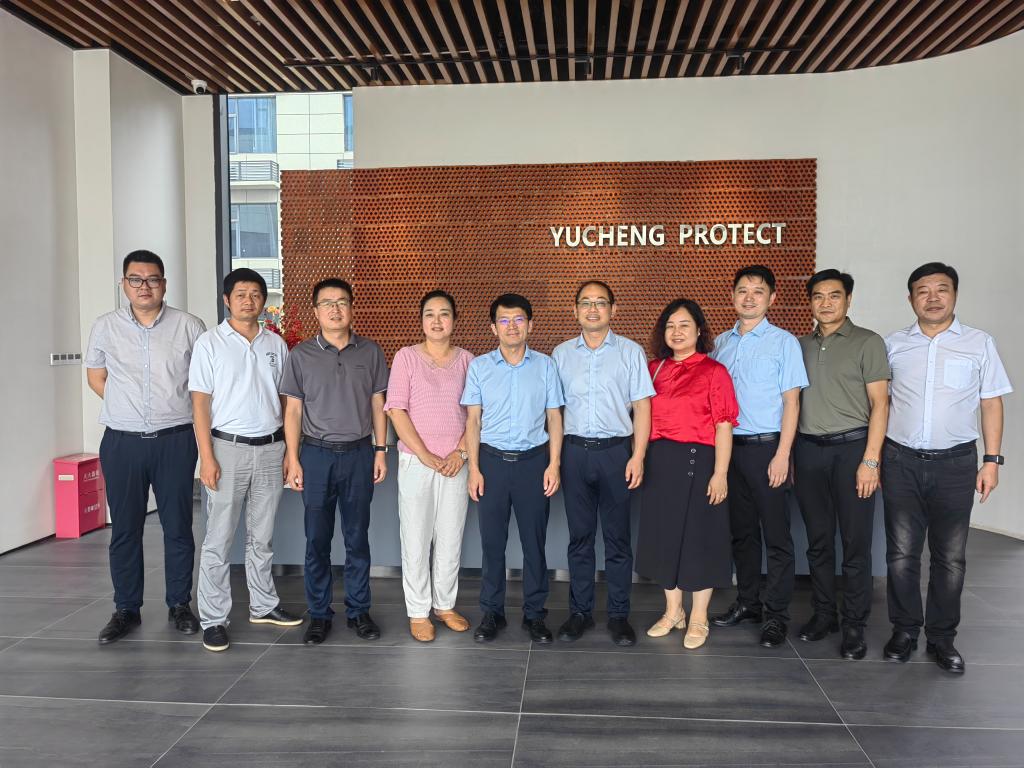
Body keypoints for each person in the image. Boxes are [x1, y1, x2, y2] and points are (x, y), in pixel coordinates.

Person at [882, 262, 1011, 673]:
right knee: (901, 555)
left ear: (954, 294)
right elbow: (880, 403)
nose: (933, 297)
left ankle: (941, 638)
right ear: (910, 298)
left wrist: (991, 460)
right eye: (923, 290)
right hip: (900, 460)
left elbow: (991, 402)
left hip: (955, 463)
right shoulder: (893, 345)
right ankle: (904, 630)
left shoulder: (979, 343)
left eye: (942, 289)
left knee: (950, 557)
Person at [85, 249, 206, 644]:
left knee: (178, 527)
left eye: (152, 279)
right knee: (125, 529)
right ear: (124, 284)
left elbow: (202, 384)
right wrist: (130, 409)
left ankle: (179, 604)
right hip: (122, 443)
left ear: (164, 284)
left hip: (176, 440)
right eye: (135, 279)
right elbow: (96, 377)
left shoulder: (189, 326)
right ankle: (126, 609)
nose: (144, 286)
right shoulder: (105, 326)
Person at [189, 268, 303, 653]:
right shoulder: (209, 343)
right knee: (218, 539)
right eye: (240, 294)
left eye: (255, 294)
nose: (248, 300)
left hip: (271, 449)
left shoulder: (276, 344)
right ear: (227, 300)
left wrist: (289, 451)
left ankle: (263, 605)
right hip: (227, 449)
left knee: (262, 536)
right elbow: (200, 405)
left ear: (264, 301)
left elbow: (286, 402)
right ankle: (213, 618)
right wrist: (206, 457)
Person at [280, 278, 389, 645]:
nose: (335, 309)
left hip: (359, 454)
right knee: (317, 539)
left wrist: (380, 450)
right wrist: (293, 458)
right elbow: (293, 411)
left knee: (357, 538)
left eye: (342, 302)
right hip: (316, 456)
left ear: (351, 307)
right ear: (316, 311)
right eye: (327, 303)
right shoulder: (301, 356)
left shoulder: (370, 352)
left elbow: (378, 404)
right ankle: (319, 614)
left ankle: (359, 611)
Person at [793, 269, 890, 660]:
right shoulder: (799, 345)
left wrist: (871, 459)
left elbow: (881, 404)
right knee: (818, 541)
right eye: (818, 296)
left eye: (834, 295)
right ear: (810, 303)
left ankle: (854, 624)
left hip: (853, 450)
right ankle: (823, 615)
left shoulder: (868, 342)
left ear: (848, 300)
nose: (826, 303)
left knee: (855, 543)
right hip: (807, 450)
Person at [710, 265, 808, 647]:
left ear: (772, 298)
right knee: (743, 534)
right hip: (728, 450)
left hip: (767, 448)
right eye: (742, 290)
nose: (749, 298)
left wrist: (783, 454)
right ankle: (748, 602)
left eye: (758, 291)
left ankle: (776, 615)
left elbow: (792, 402)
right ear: (732, 296)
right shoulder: (720, 343)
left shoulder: (784, 342)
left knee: (777, 536)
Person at [551, 280, 653, 646]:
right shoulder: (561, 354)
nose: (592, 309)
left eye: (600, 302)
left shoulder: (630, 352)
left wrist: (638, 455)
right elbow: (554, 412)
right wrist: (555, 461)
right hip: (575, 453)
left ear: (613, 309)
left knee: (617, 539)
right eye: (585, 302)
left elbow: (643, 407)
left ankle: (619, 616)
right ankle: (579, 612)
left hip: (616, 454)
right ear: (575, 310)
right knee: (580, 538)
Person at [461, 293, 564, 643]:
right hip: (491, 463)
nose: (512, 326)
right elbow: (473, 421)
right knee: (492, 544)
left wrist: (554, 464)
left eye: (519, 319)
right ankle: (493, 613)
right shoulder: (480, 367)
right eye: (504, 321)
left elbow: (555, 418)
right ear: (493, 328)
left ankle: (535, 614)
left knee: (534, 544)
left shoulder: (546, 366)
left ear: (530, 324)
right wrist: (474, 469)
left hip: (533, 463)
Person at [637, 299, 738, 650]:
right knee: (664, 538)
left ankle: (699, 617)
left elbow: (724, 425)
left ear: (698, 331)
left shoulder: (714, 371)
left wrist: (720, 473)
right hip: (660, 461)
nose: (676, 332)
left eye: (684, 325)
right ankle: (673, 612)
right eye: (670, 326)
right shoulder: (653, 369)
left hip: (700, 460)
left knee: (699, 539)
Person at [384, 290, 474, 642]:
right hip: (416, 461)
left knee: (451, 536)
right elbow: (396, 410)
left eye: (444, 313)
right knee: (416, 537)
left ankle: (445, 605)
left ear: (455, 320)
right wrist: (424, 454)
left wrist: (460, 454)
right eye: (430, 314)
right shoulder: (406, 357)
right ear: (421, 321)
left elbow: (476, 414)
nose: (437, 321)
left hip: (455, 463)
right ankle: (419, 611)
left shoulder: (468, 361)